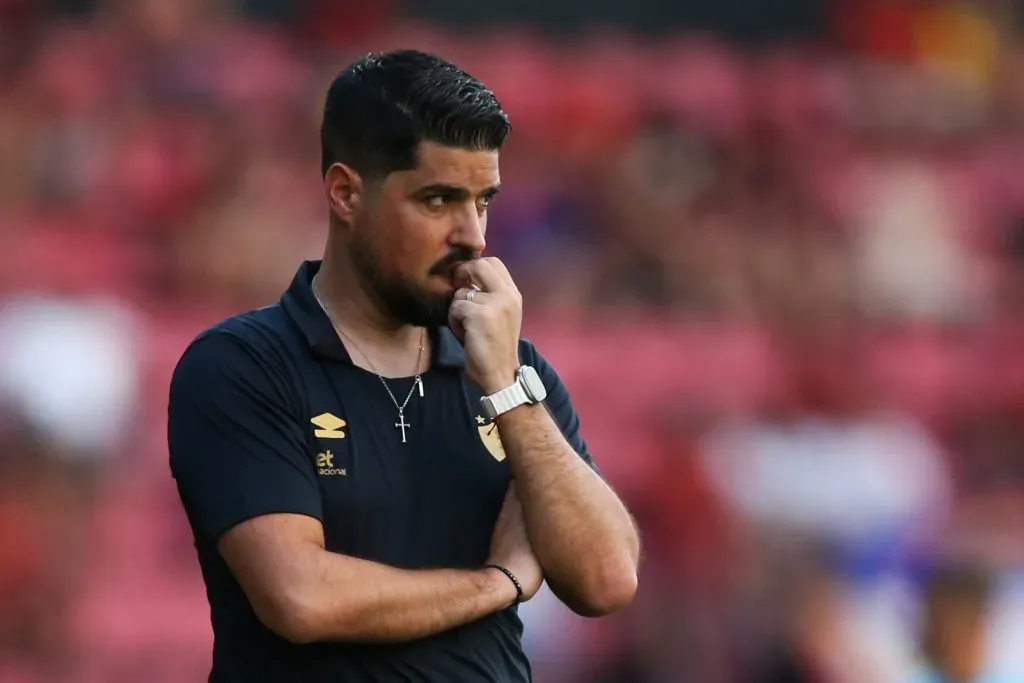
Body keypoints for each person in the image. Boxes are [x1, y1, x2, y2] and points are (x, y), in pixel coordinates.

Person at [167, 50, 640, 683]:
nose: (472, 235)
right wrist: (496, 585)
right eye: (439, 199)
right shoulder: (243, 365)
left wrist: (504, 390)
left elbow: (607, 580)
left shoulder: (512, 372)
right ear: (345, 193)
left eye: (483, 201)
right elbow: (300, 598)